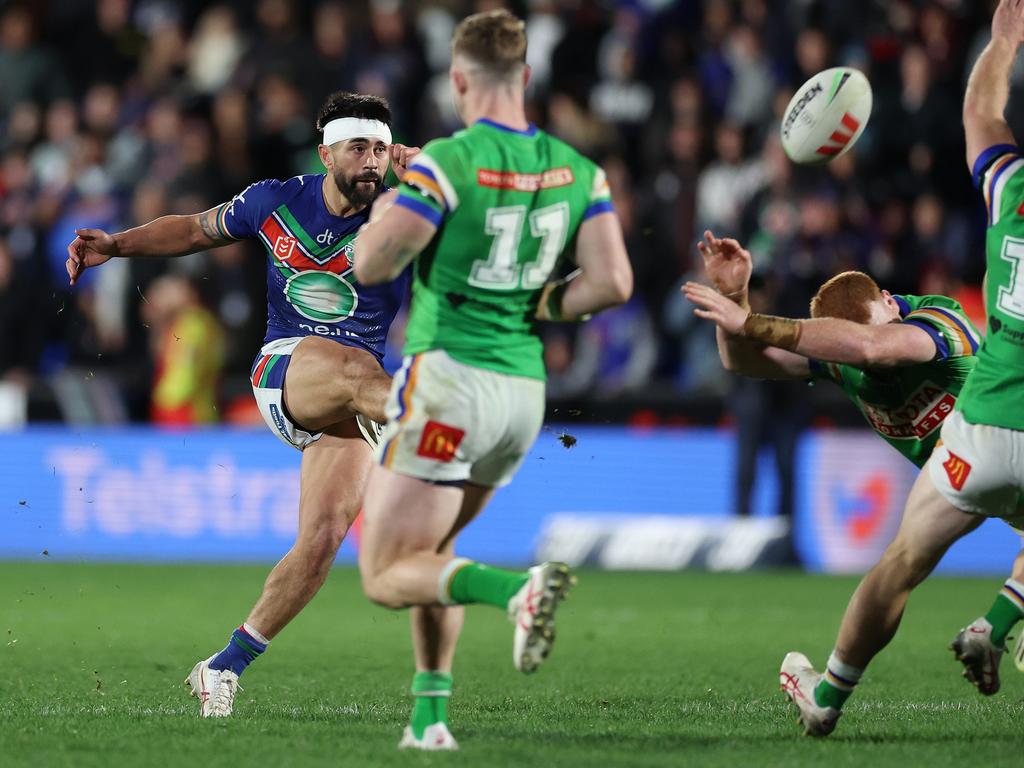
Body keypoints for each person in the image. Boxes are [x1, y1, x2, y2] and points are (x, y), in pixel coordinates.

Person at [687, 0, 1024, 726]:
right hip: (994, 444)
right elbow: (748, 364)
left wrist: (1001, 47)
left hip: (970, 455)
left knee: (898, 564)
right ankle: (996, 626)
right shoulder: (862, 345)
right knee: (923, 561)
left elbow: (869, 346)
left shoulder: (931, 322)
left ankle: (835, 692)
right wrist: (738, 300)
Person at [65, 91, 419, 717]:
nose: (371, 161)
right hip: (287, 369)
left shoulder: (407, 215)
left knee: (321, 542)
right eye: (359, 147)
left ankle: (222, 667)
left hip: (358, 400)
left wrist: (432, 175)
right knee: (360, 368)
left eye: (381, 149)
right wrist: (117, 245)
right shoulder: (276, 200)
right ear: (327, 152)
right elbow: (194, 230)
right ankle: (441, 431)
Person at [352, 10, 633, 751]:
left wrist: (389, 202)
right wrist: (543, 301)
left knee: (384, 574)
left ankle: (518, 590)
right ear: (526, 78)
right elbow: (612, 282)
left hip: (448, 378)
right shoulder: (582, 169)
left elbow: (372, 265)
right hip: (522, 395)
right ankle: (429, 717)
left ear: (457, 79)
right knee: (432, 558)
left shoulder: (448, 160)